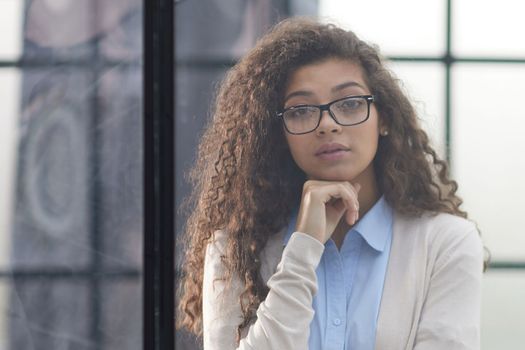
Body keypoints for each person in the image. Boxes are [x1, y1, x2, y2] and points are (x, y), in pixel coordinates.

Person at [176, 17, 486, 350]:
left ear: (384, 118)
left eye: (350, 104)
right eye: (301, 110)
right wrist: (304, 247)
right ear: (279, 134)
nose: (327, 124)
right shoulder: (234, 249)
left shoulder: (445, 243)